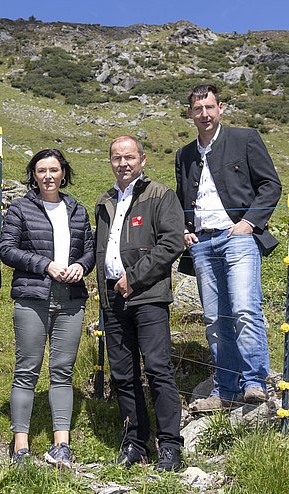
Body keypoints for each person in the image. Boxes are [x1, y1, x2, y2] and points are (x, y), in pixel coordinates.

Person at [174, 84, 282, 410]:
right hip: (202, 243)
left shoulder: (244, 138)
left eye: (209, 107)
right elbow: (183, 200)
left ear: (220, 108)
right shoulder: (185, 155)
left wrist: (248, 223)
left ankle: (254, 381)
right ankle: (225, 390)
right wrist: (184, 229)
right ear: (190, 113)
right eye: (198, 109)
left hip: (238, 238)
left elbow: (270, 185)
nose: (204, 114)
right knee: (214, 319)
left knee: (245, 308)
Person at [94, 135, 186, 472]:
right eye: (117, 158)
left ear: (142, 159)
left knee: (158, 369)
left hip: (147, 297)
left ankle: (171, 447)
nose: (123, 163)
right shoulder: (104, 200)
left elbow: (172, 242)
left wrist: (134, 277)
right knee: (123, 374)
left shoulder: (160, 195)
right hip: (112, 299)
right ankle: (135, 443)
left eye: (129, 157)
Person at [0, 149, 95, 468]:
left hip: (71, 300)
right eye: (42, 170)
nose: (48, 176)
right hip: (33, 299)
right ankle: (21, 447)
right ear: (34, 175)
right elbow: (7, 250)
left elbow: (90, 251)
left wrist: (81, 266)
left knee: (62, 372)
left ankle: (61, 446)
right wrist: (44, 265)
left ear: (63, 173)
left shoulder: (78, 210)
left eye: (54, 169)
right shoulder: (20, 208)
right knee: (27, 371)